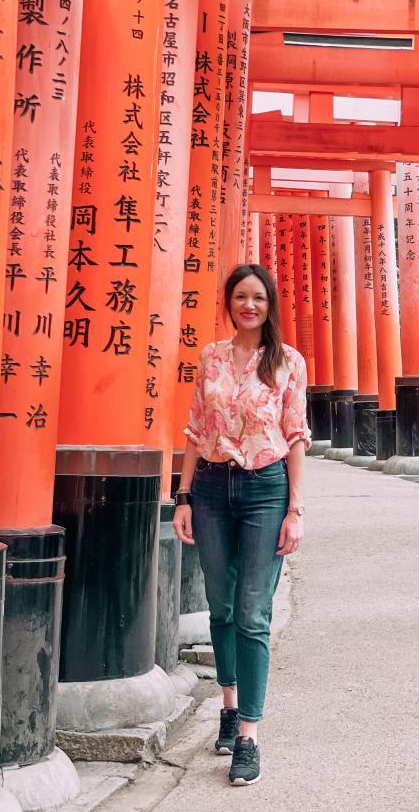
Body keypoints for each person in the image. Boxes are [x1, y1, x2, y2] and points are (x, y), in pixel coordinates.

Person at [173, 263, 311, 786]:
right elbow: (193, 429)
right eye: (239, 297)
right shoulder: (209, 357)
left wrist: (295, 510)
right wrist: (181, 497)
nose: (248, 305)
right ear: (228, 303)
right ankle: (228, 706)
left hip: (265, 490)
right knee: (221, 604)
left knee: (253, 613)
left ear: (270, 304)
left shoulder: (288, 362)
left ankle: (248, 737)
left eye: (257, 297)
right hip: (209, 488)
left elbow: (296, 437)